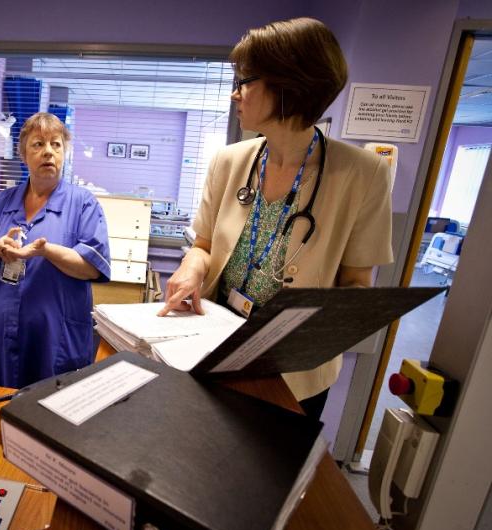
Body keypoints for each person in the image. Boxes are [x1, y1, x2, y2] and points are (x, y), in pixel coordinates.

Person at [159, 17, 393, 419]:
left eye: (245, 81)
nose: (235, 93)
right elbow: (203, 245)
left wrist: (315, 326)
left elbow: (357, 283)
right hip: (214, 347)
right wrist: (191, 267)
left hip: (294, 375)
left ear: (288, 85)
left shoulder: (363, 173)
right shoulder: (228, 161)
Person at [0, 112, 111, 388]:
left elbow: (93, 267)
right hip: (2, 334)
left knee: (52, 407)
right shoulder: (0, 203)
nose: (48, 152)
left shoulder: (83, 204)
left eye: (56, 144)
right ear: (23, 154)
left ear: (64, 153)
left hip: (55, 337)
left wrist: (45, 251)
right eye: (38, 144)